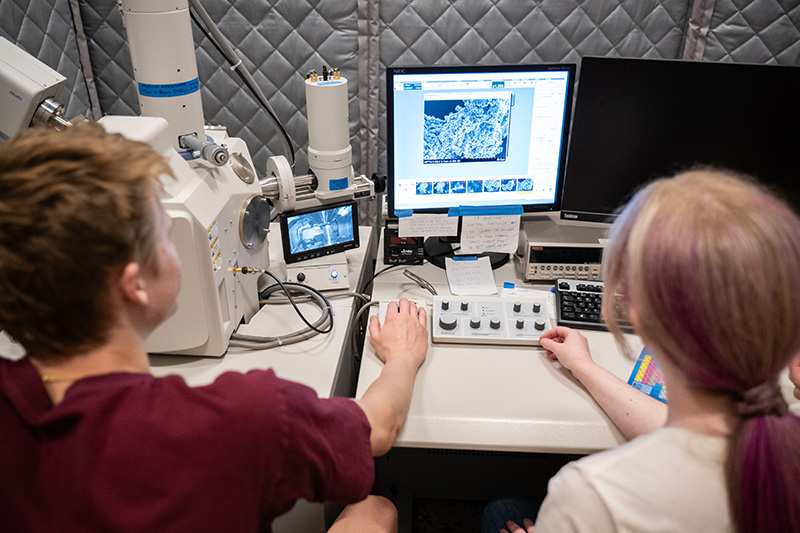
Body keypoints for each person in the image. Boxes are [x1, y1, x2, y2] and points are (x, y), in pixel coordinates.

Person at [0, 123, 429, 532]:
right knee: (375, 511)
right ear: (135, 285)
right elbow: (378, 428)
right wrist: (403, 356)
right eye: (169, 237)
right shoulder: (243, 418)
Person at [492, 168, 800, 532]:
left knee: (501, 513)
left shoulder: (594, 494)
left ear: (637, 313)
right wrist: (586, 367)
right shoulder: (775, 432)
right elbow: (693, 436)